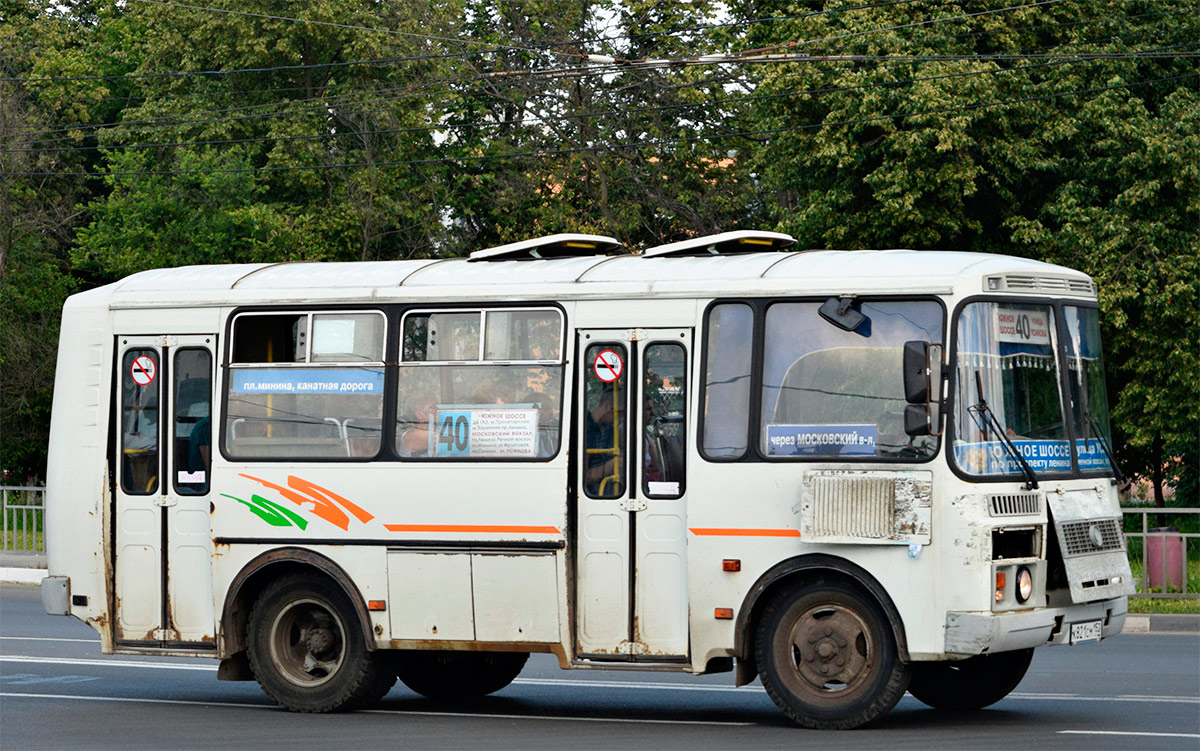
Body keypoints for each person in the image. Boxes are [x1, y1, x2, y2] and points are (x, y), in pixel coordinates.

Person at [584, 390, 620, 496]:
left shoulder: (609, 429)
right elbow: (583, 478)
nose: (621, 418)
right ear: (607, 406)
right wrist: (614, 463)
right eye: (619, 413)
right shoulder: (584, 428)